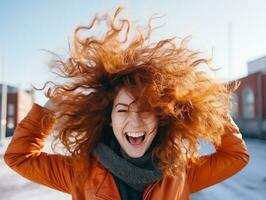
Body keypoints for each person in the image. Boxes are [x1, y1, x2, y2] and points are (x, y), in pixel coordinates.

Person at [4, 8, 249, 200]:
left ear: (160, 117)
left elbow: (236, 155)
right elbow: (19, 157)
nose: (135, 120)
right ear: (110, 120)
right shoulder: (79, 173)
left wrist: (205, 110)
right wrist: (47, 111)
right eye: (122, 110)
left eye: (145, 109)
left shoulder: (181, 173)